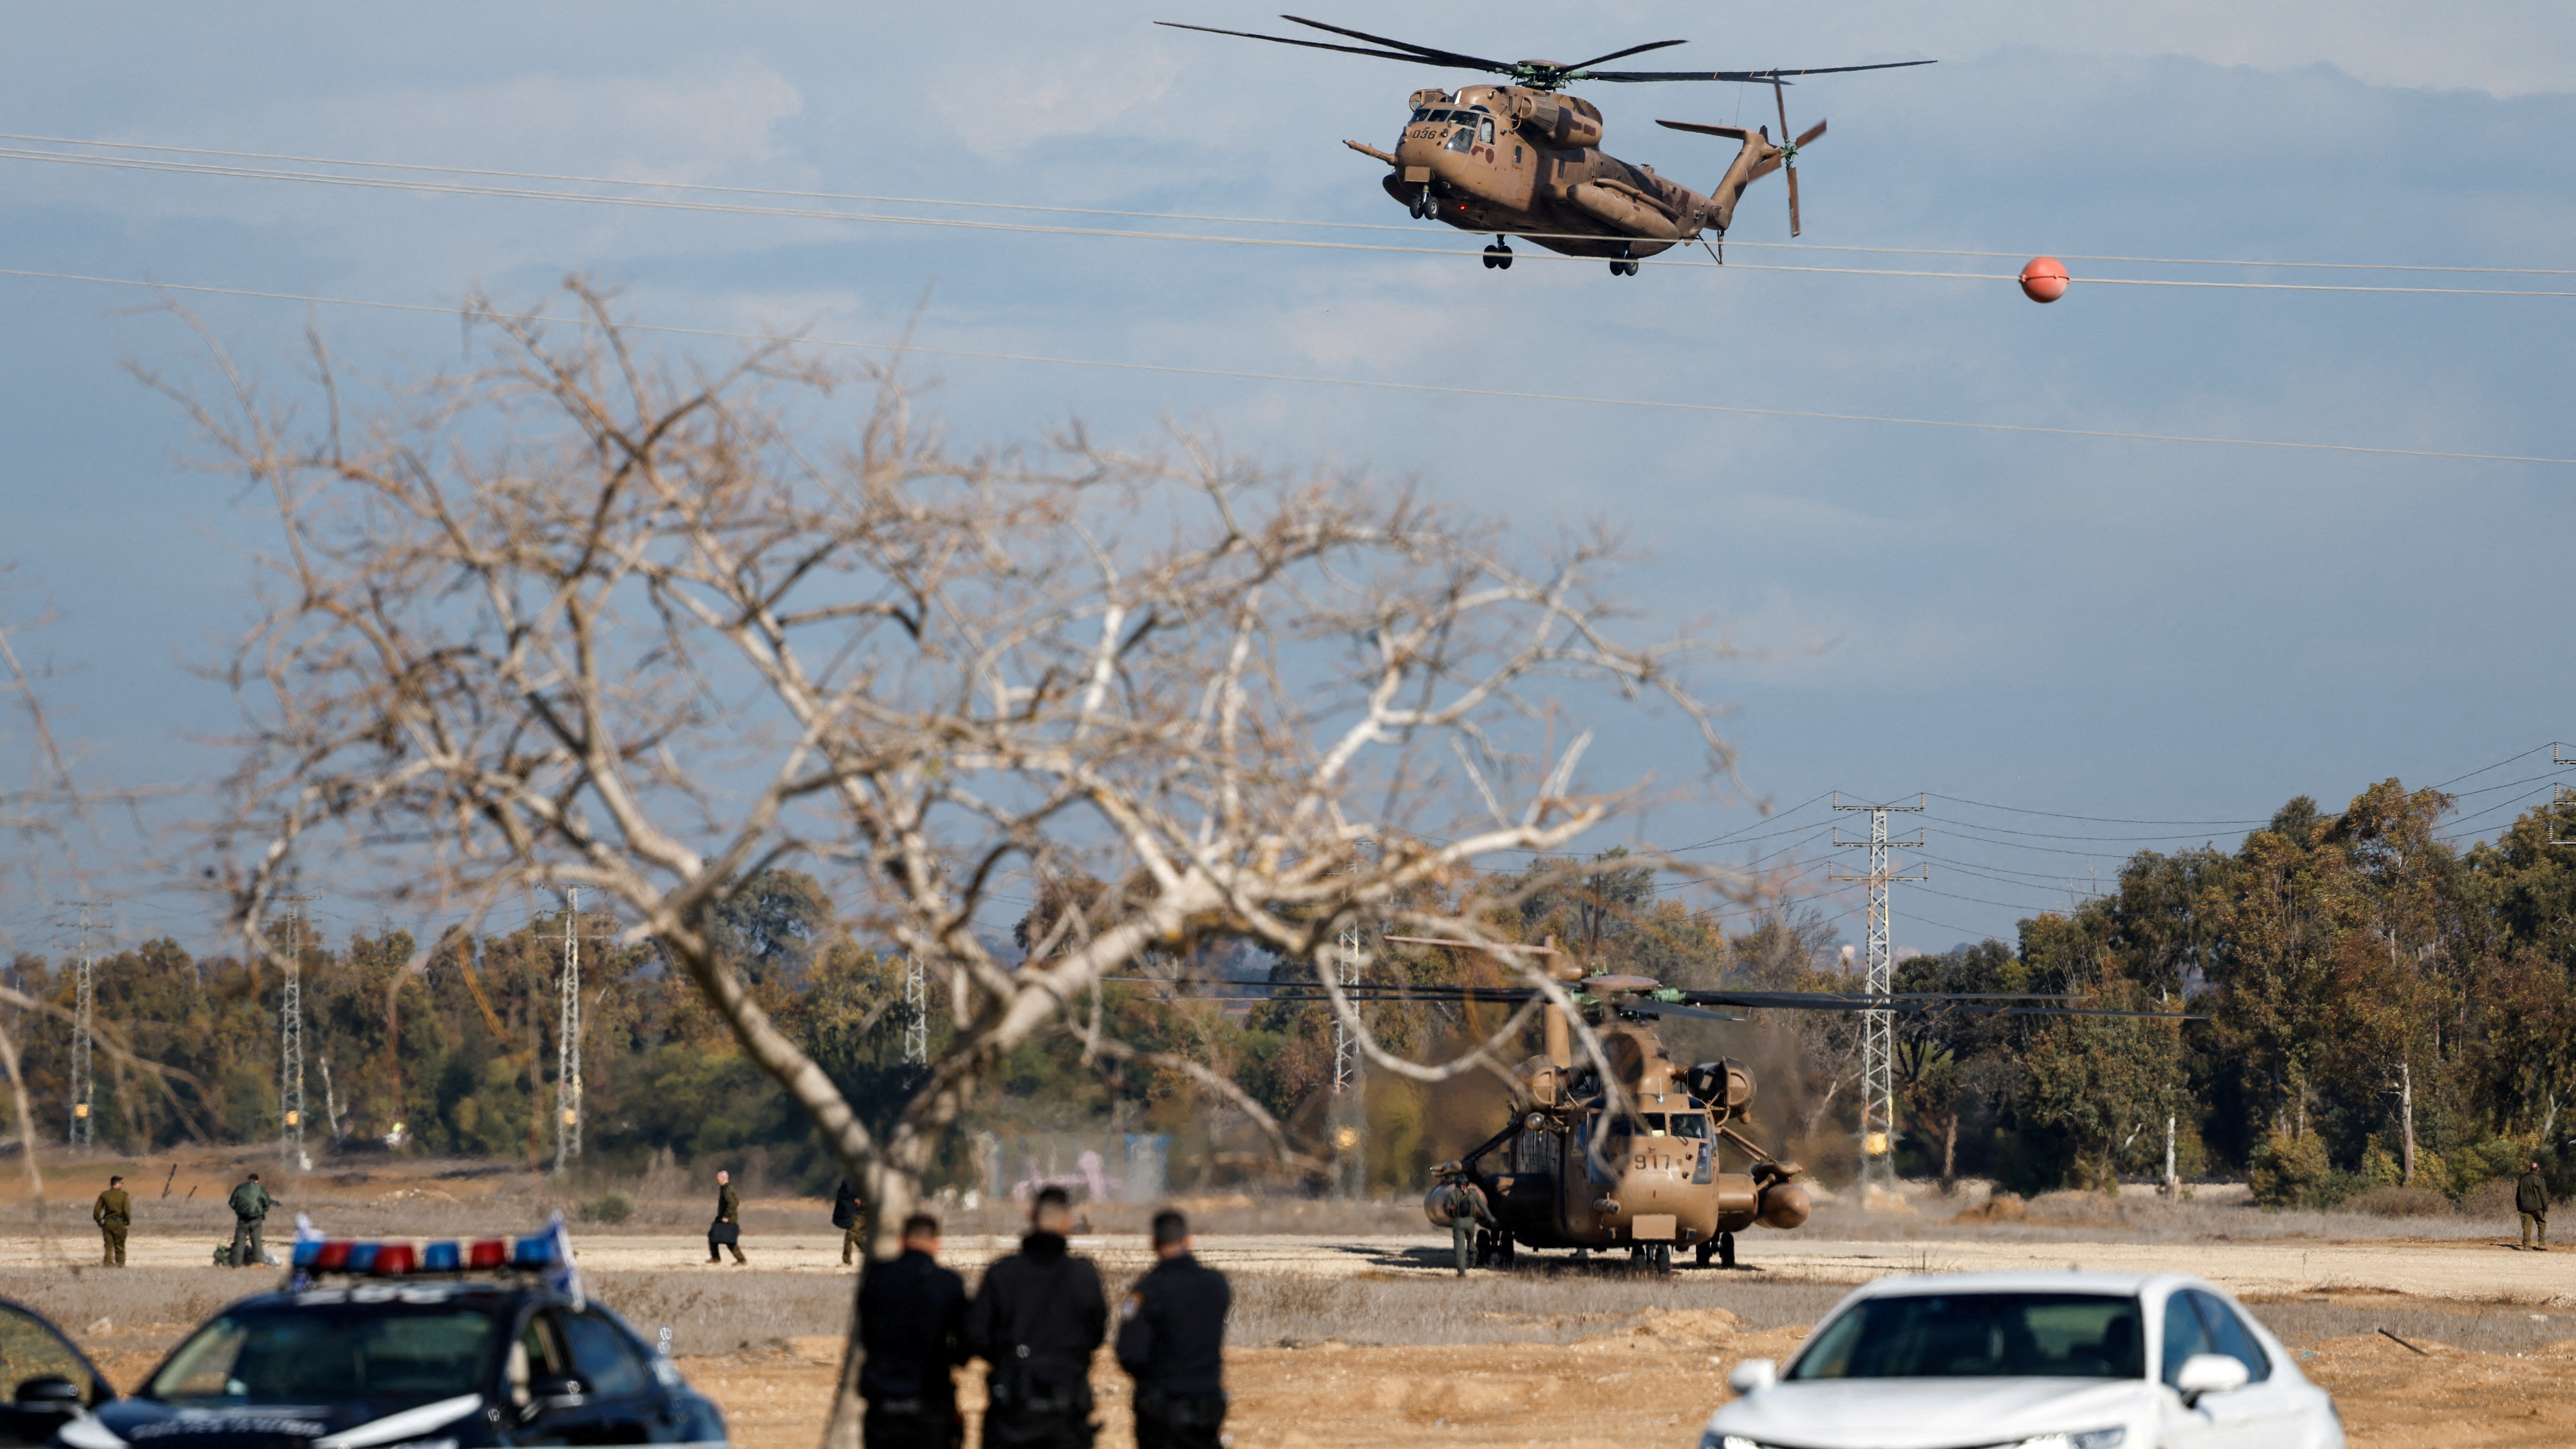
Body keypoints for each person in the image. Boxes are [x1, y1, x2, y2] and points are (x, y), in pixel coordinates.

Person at [966, 1187, 1106, 1449]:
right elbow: (1096, 1334)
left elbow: (976, 1335)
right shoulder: (1084, 1277)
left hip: (1013, 1410)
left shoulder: (1002, 1274)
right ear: (1069, 1221)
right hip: (1065, 1409)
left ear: (1031, 1217)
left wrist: (1008, 1358)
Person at [1115, 1209, 1230, 1449]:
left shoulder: (1146, 1291)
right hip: (1207, 1404)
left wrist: (1154, 1381)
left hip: (1162, 1406)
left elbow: (1129, 1353)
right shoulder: (1216, 1285)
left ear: (1154, 1243)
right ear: (1188, 1241)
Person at [858, 1211, 968, 1449]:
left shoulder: (876, 1278)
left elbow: (866, 1332)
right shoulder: (948, 1283)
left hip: (884, 1394)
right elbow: (967, 1340)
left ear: (901, 1240)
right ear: (936, 1244)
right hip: (931, 1395)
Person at [228, 1171, 271, 1268]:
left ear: (249, 1180)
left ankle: (236, 1265)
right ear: (257, 1181)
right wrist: (262, 1211)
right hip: (257, 1219)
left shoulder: (240, 1188)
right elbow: (267, 1205)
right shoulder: (261, 1190)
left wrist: (239, 1211)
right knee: (257, 1242)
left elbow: (232, 1203)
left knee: (239, 1242)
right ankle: (259, 1264)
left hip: (243, 1219)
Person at [708, 1169, 746, 1265]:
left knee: (730, 1240)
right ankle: (715, 1258)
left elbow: (733, 1204)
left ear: (724, 1179)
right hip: (722, 1218)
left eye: (718, 1179)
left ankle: (741, 1260)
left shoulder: (728, 1190)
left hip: (728, 1219)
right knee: (713, 1236)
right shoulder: (725, 1189)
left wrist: (727, 1216)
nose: (717, 1181)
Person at [93, 1174, 132, 1267]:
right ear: (117, 1184)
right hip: (120, 1223)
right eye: (122, 1183)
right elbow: (127, 1211)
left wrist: (100, 1222)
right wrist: (128, 1222)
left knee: (109, 1246)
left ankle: (108, 1265)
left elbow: (97, 1211)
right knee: (120, 1246)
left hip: (108, 1224)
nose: (122, 1185)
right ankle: (120, 1266)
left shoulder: (104, 1195)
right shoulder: (124, 1195)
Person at [2517, 1159, 2550, 1251]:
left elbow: (2518, 1194)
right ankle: (2542, 1244)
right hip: (2538, 1207)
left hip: (2525, 1207)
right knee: (2542, 1224)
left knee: (2527, 1227)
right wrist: (2545, 1207)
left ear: (2530, 1169)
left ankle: (2527, 1246)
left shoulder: (2523, 1179)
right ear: (2538, 1169)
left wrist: (2519, 1206)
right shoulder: (2539, 1180)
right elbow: (2543, 1195)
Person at [836, 1177, 863, 1266]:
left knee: (851, 1234)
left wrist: (862, 1202)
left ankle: (847, 1261)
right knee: (857, 1237)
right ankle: (874, 1256)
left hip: (866, 1214)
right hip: (860, 1212)